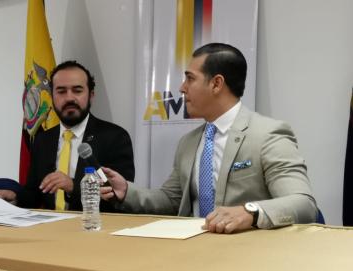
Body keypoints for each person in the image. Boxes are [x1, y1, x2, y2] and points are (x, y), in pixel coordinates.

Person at [101, 43, 318, 233]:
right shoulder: (188, 143)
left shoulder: (268, 134)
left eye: (190, 78)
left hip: (248, 257)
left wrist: (249, 212)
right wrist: (127, 191)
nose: (181, 88)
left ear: (216, 83)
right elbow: (171, 200)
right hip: (190, 253)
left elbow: (303, 203)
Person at [0, 60, 134, 212]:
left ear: (91, 95)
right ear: (52, 96)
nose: (69, 98)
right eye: (61, 91)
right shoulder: (43, 140)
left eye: (77, 90)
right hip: (50, 229)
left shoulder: (115, 137)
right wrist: (14, 197)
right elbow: (35, 195)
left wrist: (72, 186)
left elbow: (117, 195)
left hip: (95, 228)